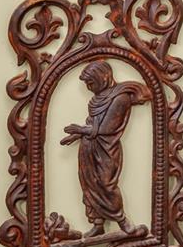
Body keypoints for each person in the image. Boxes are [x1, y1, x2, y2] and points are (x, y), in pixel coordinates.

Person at [61, 60, 150, 236]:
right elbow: (92, 124)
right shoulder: (96, 99)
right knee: (90, 186)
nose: (88, 87)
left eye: (90, 83)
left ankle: (123, 221)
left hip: (107, 150)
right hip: (88, 149)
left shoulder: (120, 98)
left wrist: (80, 129)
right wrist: (76, 135)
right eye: (86, 84)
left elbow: (107, 128)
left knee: (106, 185)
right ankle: (97, 223)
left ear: (102, 77)